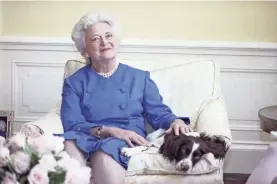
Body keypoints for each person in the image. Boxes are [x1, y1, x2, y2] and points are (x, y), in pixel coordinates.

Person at [60, 12, 192, 184]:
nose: (104, 42)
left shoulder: (139, 78)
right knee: (69, 143)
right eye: (95, 39)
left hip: (126, 138)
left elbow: (158, 113)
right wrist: (108, 130)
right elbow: (72, 123)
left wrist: (174, 121)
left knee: (104, 154)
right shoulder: (74, 82)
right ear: (85, 50)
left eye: (108, 35)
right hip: (89, 135)